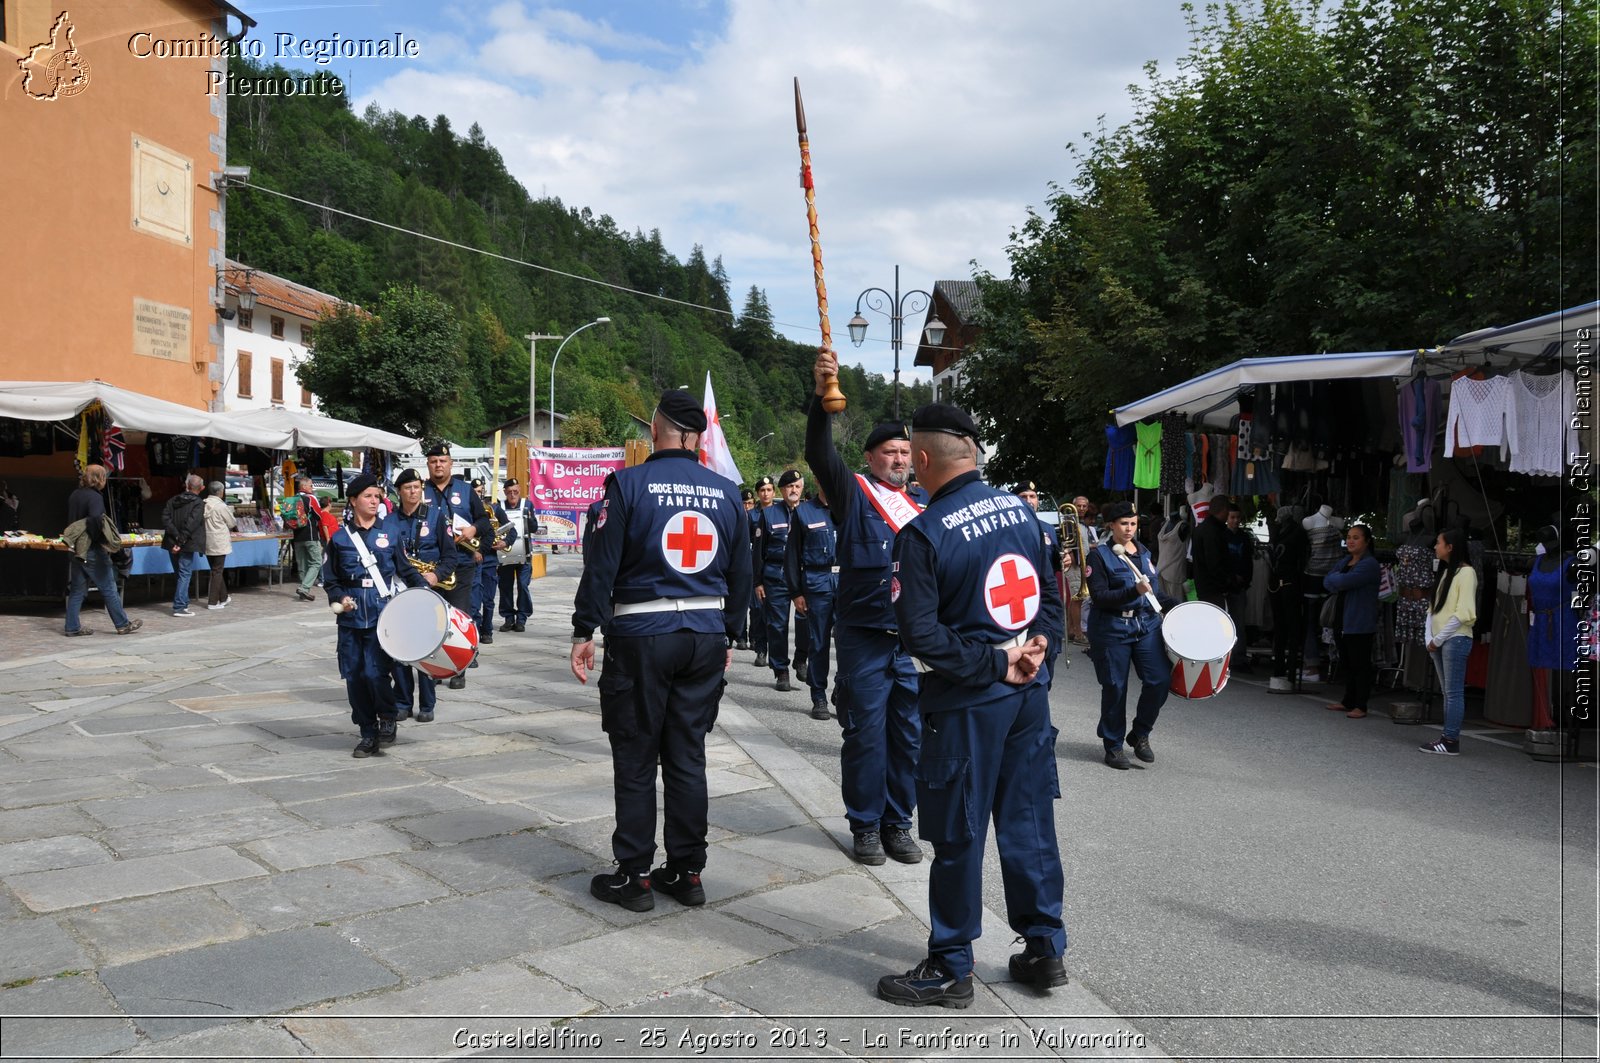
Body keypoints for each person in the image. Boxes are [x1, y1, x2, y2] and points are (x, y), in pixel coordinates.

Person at [878, 403, 1065, 1009]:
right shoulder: (1024, 512)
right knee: (1029, 819)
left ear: (924, 459)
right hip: (1028, 694)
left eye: (912, 458)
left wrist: (993, 663)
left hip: (967, 701)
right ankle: (1044, 950)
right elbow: (1050, 599)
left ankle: (951, 965)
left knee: (958, 829)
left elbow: (920, 636)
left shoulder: (925, 532)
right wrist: (1039, 655)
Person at [570, 389, 751, 912]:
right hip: (704, 635)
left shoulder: (626, 485)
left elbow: (600, 565)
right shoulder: (726, 493)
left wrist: (585, 631)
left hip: (641, 633)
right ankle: (686, 871)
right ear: (697, 437)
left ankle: (634, 875)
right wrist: (729, 635)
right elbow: (742, 573)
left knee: (635, 753)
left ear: (657, 431)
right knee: (687, 754)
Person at [805, 347, 929, 866]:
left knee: (909, 738)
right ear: (871, 458)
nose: (898, 460)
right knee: (865, 737)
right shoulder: (854, 494)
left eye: (905, 452)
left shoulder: (926, 506)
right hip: (863, 636)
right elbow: (818, 453)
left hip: (913, 642)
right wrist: (819, 396)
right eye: (889, 453)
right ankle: (865, 825)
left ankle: (899, 822)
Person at [323, 472, 427, 756]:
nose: (374, 501)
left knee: (374, 673)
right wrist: (339, 597)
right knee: (354, 676)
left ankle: (388, 717)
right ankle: (367, 731)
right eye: (367, 496)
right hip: (350, 618)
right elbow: (330, 579)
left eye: (377, 496)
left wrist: (426, 594)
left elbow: (404, 569)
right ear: (353, 500)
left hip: (383, 616)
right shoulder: (340, 538)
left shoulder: (390, 532)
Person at [1087, 500, 1179, 769]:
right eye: (1123, 524)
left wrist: (1181, 605)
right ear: (1111, 526)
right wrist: (1132, 592)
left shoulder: (1144, 552)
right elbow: (1100, 597)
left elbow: (1154, 594)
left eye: (1133, 524)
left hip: (1145, 625)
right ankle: (1113, 745)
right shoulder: (1099, 556)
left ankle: (1140, 733)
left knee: (1159, 680)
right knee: (1115, 687)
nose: (1129, 529)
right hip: (1112, 628)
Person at [390, 468, 459, 725]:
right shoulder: (389, 522)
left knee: (427, 649)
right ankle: (403, 701)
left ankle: (428, 703)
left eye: (417, 487)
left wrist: (435, 575)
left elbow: (451, 556)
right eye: (408, 487)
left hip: (429, 591)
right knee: (398, 650)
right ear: (399, 491)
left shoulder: (437, 517)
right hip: (399, 593)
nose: (413, 491)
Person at [424, 444, 492, 690]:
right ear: (428, 464)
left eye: (442, 460)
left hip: (461, 565)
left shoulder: (465, 490)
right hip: (432, 566)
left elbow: (484, 521)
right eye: (433, 461)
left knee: (460, 617)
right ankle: (432, 667)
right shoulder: (419, 490)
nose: (438, 465)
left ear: (451, 463)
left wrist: (474, 529)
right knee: (433, 619)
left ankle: (459, 669)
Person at [63, 464, 141, 637]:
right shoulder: (95, 497)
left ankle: (72, 627)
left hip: (76, 550)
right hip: (91, 549)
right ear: (100, 479)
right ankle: (122, 624)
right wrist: (100, 539)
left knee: (77, 590)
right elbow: (96, 520)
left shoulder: (75, 494)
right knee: (108, 587)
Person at [1420, 527, 1477, 755]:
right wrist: (1429, 638)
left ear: (1450, 547)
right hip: (1440, 639)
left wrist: (1437, 639)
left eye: (1439, 543)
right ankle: (1447, 737)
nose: (1435, 546)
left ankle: (1450, 739)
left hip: (1455, 638)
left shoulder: (1467, 573)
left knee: (1453, 692)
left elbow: (1464, 613)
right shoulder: (1446, 572)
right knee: (1448, 691)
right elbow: (1432, 609)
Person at [785, 484, 837, 720]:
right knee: (819, 643)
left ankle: (841, 688)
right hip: (817, 583)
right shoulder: (804, 512)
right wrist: (796, 592)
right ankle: (819, 696)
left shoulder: (849, 508)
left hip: (848, 582)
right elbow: (792, 555)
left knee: (850, 643)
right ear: (817, 481)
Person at [1321, 523, 1380, 718]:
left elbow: (1343, 581)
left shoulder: (1369, 564)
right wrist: (1338, 580)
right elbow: (1327, 581)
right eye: (1349, 537)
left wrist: (1338, 580)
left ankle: (1361, 705)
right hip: (1342, 619)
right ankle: (1348, 700)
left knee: (1360, 664)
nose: (1351, 541)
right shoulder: (1345, 560)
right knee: (1346, 662)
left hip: (1360, 621)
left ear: (1367, 541)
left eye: (1356, 537)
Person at [754, 469, 803, 691]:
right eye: (789, 487)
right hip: (777, 577)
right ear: (782, 491)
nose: (794, 490)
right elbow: (759, 552)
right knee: (777, 626)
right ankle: (781, 670)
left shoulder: (809, 513)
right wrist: (758, 582)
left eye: (797, 486)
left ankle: (801, 657)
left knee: (809, 623)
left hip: (804, 577)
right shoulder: (769, 515)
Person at [474, 482, 518, 645]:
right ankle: (474, 629)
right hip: (472, 560)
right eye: (474, 491)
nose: (477, 494)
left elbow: (511, 530)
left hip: (489, 561)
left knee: (488, 599)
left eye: (480, 491)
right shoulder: (466, 509)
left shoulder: (495, 509)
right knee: (473, 601)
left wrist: (505, 543)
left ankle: (487, 630)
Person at [160, 474, 207, 617]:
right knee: (184, 574)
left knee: (180, 573)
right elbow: (191, 523)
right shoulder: (198, 503)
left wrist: (175, 538)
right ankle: (179, 606)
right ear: (202, 488)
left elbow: (165, 519)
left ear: (187, 486)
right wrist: (180, 540)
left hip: (173, 542)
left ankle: (183, 603)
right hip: (186, 543)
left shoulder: (173, 500)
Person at [497, 478, 536, 632]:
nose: (512, 495)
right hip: (504, 555)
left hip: (524, 554)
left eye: (515, 492)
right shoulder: (499, 506)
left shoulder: (527, 505)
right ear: (505, 492)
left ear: (519, 490)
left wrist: (531, 519)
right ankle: (508, 618)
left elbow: (533, 527)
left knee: (523, 586)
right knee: (505, 587)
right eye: (509, 492)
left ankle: (521, 619)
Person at [1222, 503, 1256, 671]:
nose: (1235, 521)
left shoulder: (1244, 537)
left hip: (1240, 585)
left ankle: (1239, 657)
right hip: (1224, 585)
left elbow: (1248, 561)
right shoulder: (1221, 536)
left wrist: (1245, 580)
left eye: (1237, 518)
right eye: (1232, 517)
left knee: (1239, 623)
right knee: (1222, 622)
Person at [287, 474, 328, 603]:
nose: (312, 487)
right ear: (304, 486)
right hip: (310, 534)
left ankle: (303, 590)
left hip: (297, 536)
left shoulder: (293, 498)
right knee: (316, 562)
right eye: (311, 485)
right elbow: (318, 515)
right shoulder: (311, 498)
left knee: (302, 564)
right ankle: (304, 588)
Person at [747, 477, 774, 665]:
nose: (765, 493)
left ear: (774, 492)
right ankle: (760, 649)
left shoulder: (781, 512)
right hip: (756, 567)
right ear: (758, 493)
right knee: (757, 609)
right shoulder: (751, 516)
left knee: (775, 613)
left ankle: (777, 653)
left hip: (776, 569)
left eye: (769, 489)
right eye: (762, 490)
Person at [202, 480, 237, 611]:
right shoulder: (221, 506)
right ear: (220, 492)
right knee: (217, 571)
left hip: (207, 539)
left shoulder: (203, 504)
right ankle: (212, 601)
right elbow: (232, 522)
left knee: (215, 570)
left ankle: (224, 597)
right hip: (219, 540)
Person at [733, 488, 756, 649]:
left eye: (750, 503)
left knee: (755, 606)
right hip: (740, 563)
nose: (747, 506)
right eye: (744, 503)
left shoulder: (759, 517)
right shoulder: (736, 518)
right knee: (741, 600)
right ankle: (741, 636)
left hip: (755, 564)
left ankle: (754, 637)